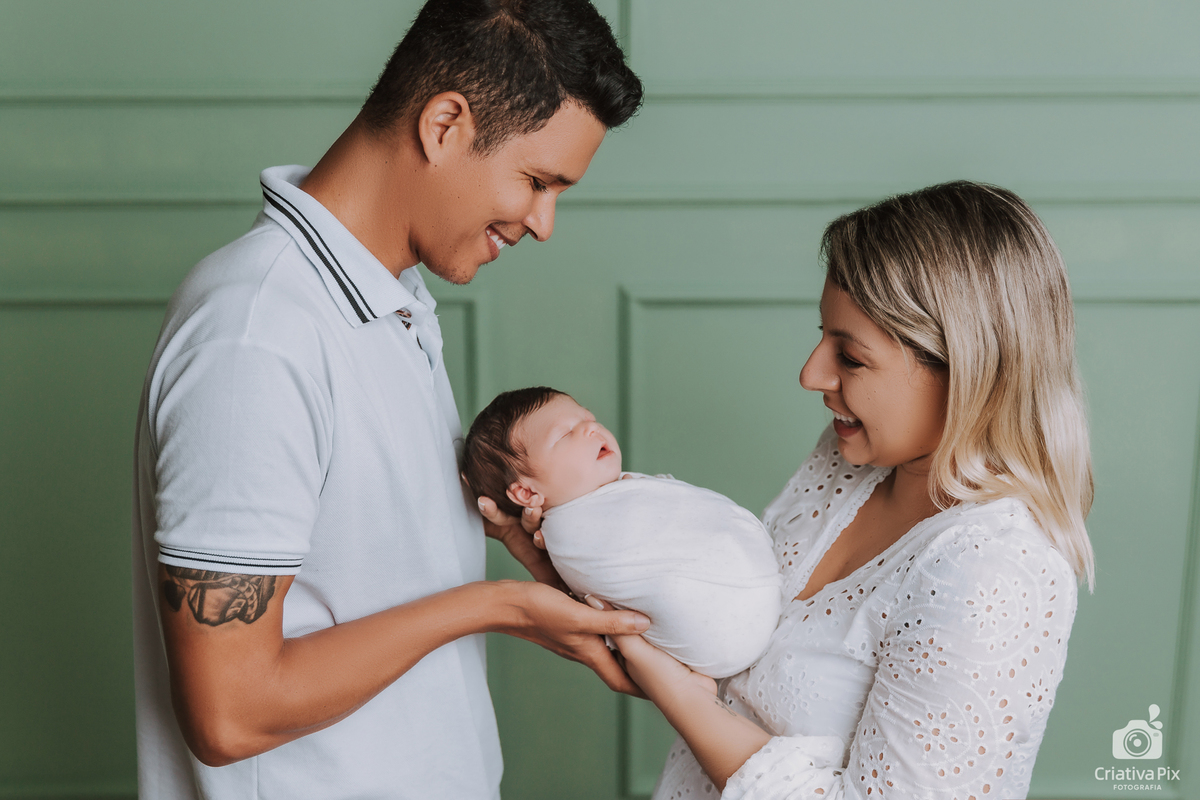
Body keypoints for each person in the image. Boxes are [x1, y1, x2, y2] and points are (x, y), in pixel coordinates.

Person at [130, 2, 649, 798]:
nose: (543, 223)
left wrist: (520, 550)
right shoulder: (257, 333)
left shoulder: (385, 301)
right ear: (445, 125)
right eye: (537, 181)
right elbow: (229, 713)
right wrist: (500, 606)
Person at [605, 181, 1096, 799]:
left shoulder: (994, 571)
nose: (811, 374)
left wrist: (673, 689)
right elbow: (733, 657)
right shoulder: (850, 463)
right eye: (823, 336)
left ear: (970, 369)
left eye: (852, 357)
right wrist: (580, 551)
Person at [461, 387, 782, 678]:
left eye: (588, 418)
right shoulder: (568, 534)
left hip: (747, 607)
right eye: (566, 433)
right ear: (527, 493)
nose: (591, 428)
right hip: (724, 631)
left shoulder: (611, 497)